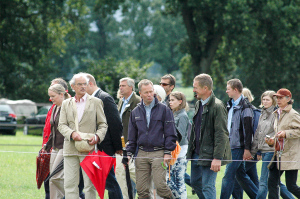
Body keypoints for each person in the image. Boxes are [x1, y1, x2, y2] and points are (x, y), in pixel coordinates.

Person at [58, 73, 108, 199]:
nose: (83, 87)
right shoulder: (66, 103)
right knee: (70, 184)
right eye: (79, 84)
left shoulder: (97, 102)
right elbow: (61, 125)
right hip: (70, 148)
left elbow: (103, 124)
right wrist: (71, 134)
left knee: (90, 185)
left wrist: (97, 137)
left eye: (85, 84)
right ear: (73, 86)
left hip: (89, 148)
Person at [126, 79, 177, 199]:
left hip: (159, 152)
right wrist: (128, 153)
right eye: (146, 92)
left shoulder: (164, 110)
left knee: (160, 186)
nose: (149, 94)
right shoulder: (135, 112)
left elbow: (171, 133)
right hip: (141, 153)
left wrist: (167, 152)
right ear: (140, 93)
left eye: (151, 91)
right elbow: (132, 137)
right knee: (142, 190)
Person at [187, 74, 231, 198]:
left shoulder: (217, 106)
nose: (193, 90)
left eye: (195, 87)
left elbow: (221, 134)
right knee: (195, 182)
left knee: (207, 186)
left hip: (210, 154)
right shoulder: (198, 104)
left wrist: (217, 157)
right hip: (197, 152)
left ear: (205, 88)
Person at [85, 73, 123, 199]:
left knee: (110, 183)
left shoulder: (104, 98)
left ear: (90, 84)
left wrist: (118, 146)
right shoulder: (91, 99)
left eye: (82, 86)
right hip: (95, 148)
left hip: (105, 148)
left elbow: (115, 123)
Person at [251, 90, 294, 199]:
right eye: (263, 99)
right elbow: (258, 133)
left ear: (273, 101)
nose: (265, 102)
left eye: (267, 100)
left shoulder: (276, 114)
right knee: (274, 181)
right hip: (264, 150)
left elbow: (277, 133)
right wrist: (257, 151)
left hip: (271, 151)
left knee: (264, 181)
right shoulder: (262, 113)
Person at [221, 79, 258, 199]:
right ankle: (258, 197)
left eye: (228, 89)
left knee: (228, 176)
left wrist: (247, 149)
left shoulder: (246, 107)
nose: (226, 91)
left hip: (238, 147)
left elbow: (248, 130)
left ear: (235, 90)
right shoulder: (229, 105)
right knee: (240, 175)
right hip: (230, 145)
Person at [265, 88, 300, 198]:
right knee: (271, 182)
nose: (278, 100)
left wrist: (286, 133)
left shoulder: (293, 114)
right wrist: (271, 142)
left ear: (288, 98)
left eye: (281, 98)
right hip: (278, 154)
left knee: (291, 186)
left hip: (291, 155)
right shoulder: (277, 113)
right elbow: (278, 134)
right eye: (277, 97)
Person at [232, 88, 259, 198]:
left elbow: (255, 133)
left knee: (237, 176)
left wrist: (254, 151)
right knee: (252, 177)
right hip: (245, 151)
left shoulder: (254, 112)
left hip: (249, 151)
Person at [44, 84, 70, 199]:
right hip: (54, 147)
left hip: (65, 146)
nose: (51, 99)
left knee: (55, 177)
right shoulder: (54, 107)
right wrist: (46, 146)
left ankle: (73, 196)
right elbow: (53, 130)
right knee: (51, 180)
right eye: (50, 96)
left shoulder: (69, 106)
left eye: (53, 96)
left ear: (61, 94)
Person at [116, 77, 141, 199]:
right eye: (120, 85)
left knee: (136, 174)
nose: (120, 87)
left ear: (131, 87)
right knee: (120, 175)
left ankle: (153, 194)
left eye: (123, 85)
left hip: (133, 145)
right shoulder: (121, 101)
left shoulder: (137, 101)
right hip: (122, 145)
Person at [168, 91, 189, 199]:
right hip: (173, 151)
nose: (170, 102)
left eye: (173, 100)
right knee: (171, 180)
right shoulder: (173, 113)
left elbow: (178, 136)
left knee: (178, 181)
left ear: (180, 101)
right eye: (170, 100)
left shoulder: (183, 115)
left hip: (179, 152)